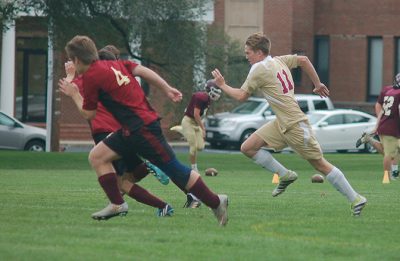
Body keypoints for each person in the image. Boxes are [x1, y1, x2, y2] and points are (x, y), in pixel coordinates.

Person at [59, 35, 228, 226]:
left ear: (77, 60)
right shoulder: (116, 64)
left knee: (174, 169)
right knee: (97, 156)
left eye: (72, 59)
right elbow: (142, 70)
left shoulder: (91, 77)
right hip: (129, 130)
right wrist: (166, 88)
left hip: (143, 128)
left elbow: (89, 114)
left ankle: (216, 201)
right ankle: (117, 204)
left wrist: (73, 94)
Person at [211, 32, 366, 216]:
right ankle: (285, 175)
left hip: (295, 124)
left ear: (260, 52)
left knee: (320, 165)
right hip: (281, 122)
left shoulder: (258, 68)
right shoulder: (278, 60)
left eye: (248, 53)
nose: (246, 56)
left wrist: (222, 84)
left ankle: (356, 198)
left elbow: (241, 96)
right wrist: (317, 84)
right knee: (248, 147)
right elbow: (304, 60)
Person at [61, 48, 173, 219]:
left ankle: (161, 205)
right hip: (123, 132)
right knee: (129, 177)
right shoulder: (115, 80)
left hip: (104, 134)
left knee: (122, 183)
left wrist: (70, 75)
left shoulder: (91, 78)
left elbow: (73, 89)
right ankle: (147, 167)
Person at [179, 79, 221, 208]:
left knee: (200, 147)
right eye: (216, 90)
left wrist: (200, 127)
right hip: (188, 121)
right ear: (209, 89)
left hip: (195, 125)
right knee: (193, 148)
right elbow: (196, 114)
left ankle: (183, 132)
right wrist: (203, 128)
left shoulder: (207, 99)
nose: (218, 93)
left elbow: (199, 115)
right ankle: (194, 169)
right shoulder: (201, 97)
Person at [356, 73, 400, 179]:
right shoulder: (394, 92)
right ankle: (387, 177)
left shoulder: (389, 91)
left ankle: (369, 140)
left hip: (387, 124)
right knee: (389, 153)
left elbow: (382, 109)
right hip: (391, 126)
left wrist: (378, 124)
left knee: (392, 150)